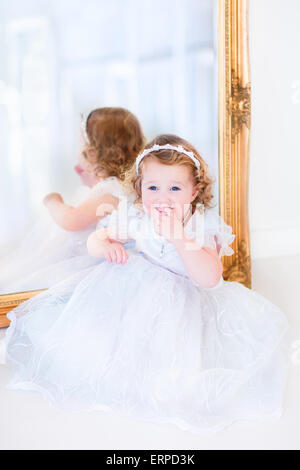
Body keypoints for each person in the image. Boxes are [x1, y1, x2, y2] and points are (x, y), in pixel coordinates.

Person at [5, 134, 291, 436]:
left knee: (174, 373)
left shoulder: (201, 225)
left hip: (185, 302)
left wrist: (179, 236)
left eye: (175, 188)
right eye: (153, 187)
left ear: (194, 192)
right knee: (101, 344)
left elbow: (209, 279)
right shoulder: (139, 217)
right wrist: (103, 246)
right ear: (140, 188)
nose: (162, 197)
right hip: (136, 291)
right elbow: (98, 238)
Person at [0, 107, 145, 293]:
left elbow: (71, 220)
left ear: (92, 152)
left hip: (94, 261)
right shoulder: (123, 187)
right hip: (104, 254)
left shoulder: (109, 191)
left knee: (33, 276)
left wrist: (53, 202)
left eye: (80, 145)